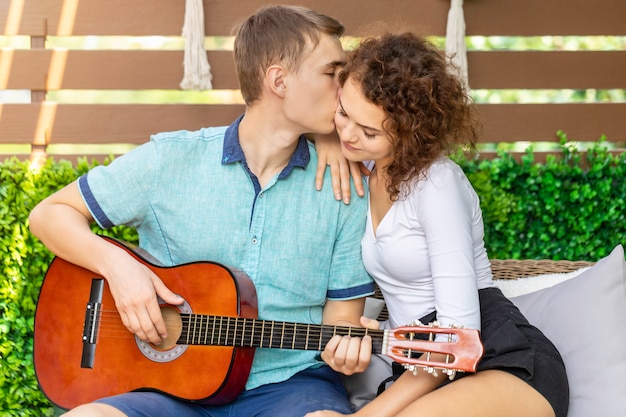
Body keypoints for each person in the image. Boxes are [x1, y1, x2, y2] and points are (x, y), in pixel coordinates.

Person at [28, 5, 375, 417]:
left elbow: (342, 321)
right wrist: (120, 270)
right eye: (332, 73)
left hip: (289, 386)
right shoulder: (169, 160)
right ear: (279, 80)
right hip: (166, 389)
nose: (346, 87)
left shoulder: (344, 188)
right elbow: (49, 215)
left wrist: (346, 348)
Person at [307, 32, 569, 417]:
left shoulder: (436, 183)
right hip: (420, 368)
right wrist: (325, 136)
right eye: (344, 113)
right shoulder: (361, 170)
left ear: (409, 132)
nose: (348, 134)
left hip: (497, 361)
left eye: (370, 132)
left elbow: (456, 341)